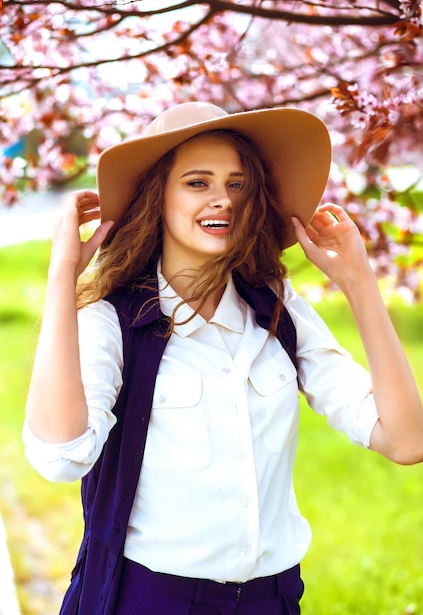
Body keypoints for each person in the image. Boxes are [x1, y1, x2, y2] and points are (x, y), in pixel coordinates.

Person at [23, 101, 423, 615]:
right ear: (158, 197)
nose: (224, 200)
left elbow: (407, 440)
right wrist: (64, 277)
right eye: (198, 182)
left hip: (272, 599)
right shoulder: (113, 322)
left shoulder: (276, 307)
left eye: (237, 184)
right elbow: (60, 457)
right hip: (152, 600)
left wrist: (359, 284)